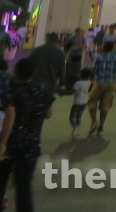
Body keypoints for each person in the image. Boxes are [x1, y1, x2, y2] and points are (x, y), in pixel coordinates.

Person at [0, 58, 54, 212]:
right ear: (34, 73)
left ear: (15, 73)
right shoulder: (43, 93)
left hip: (11, 143)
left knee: (1, 180)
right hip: (31, 145)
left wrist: (2, 143)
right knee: (24, 187)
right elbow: (48, 113)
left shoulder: (11, 93)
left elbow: (10, 115)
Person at [87, 41, 116, 137]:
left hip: (99, 82)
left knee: (92, 102)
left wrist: (90, 80)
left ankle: (94, 121)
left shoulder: (98, 57)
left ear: (103, 47)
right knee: (106, 105)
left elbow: (92, 70)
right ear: (112, 48)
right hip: (112, 83)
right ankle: (101, 127)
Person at [28, 33, 65, 98]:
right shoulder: (60, 53)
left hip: (35, 81)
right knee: (46, 103)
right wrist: (62, 86)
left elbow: (28, 64)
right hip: (50, 82)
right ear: (57, 40)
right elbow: (61, 71)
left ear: (47, 39)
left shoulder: (37, 50)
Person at [69, 69, 93, 139]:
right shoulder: (89, 82)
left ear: (80, 74)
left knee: (72, 117)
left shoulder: (78, 83)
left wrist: (65, 92)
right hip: (84, 102)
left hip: (77, 102)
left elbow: (73, 91)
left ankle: (75, 127)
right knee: (78, 117)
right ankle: (77, 130)